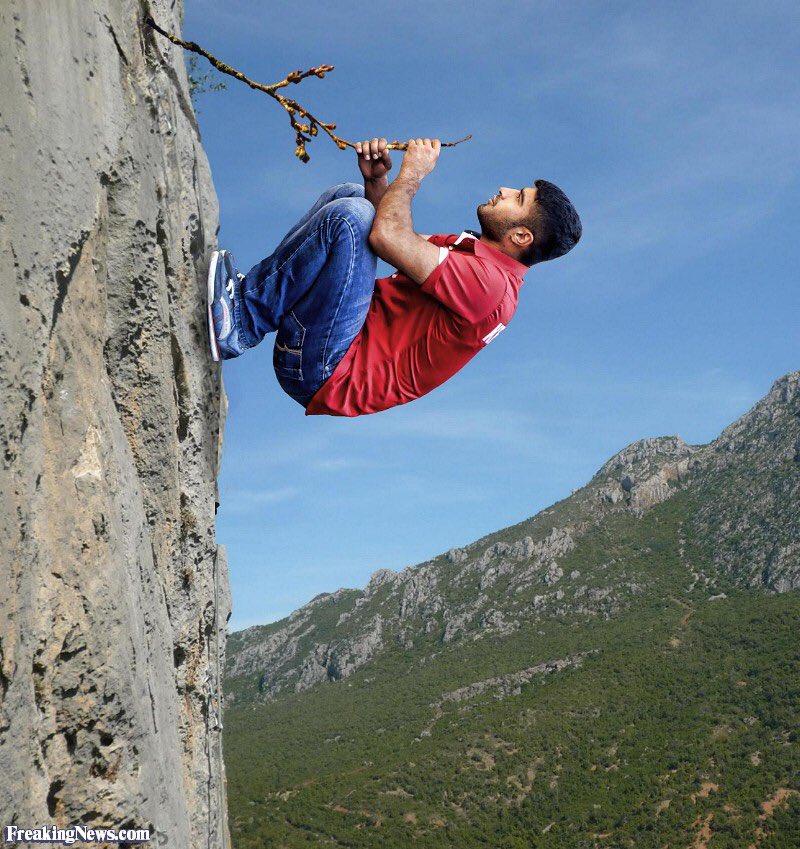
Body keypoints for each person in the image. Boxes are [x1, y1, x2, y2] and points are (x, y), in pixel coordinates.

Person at [207, 137, 581, 416]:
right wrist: (378, 181)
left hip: (326, 370)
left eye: (518, 198)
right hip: (332, 340)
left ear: (521, 237)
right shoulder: (477, 257)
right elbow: (388, 239)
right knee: (352, 195)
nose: (505, 190)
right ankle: (247, 305)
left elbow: (386, 237)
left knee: (351, 217)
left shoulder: (492, 288)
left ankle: (240, 324)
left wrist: (413, 174)